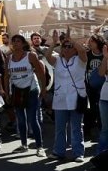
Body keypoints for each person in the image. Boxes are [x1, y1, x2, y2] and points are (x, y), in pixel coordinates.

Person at [44, 28, 87, 163]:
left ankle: (78, 153)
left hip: (76, 98)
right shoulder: (57, 61)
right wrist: (54, 43)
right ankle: (58, 151)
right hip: (61, 98)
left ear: (74, 49)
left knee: (76, 127)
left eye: (70, 47)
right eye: (65, 47)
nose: (67, 49)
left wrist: (72, 40)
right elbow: (47, 56)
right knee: (60, 128)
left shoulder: (80, 60)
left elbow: (82, 51)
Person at [5, 34, 46, 157]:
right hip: (17, 91)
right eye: (14, 41)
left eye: (18, 41)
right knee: (21, 121)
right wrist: (7, 93)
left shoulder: (31, 56)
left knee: (33, 120)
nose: (15, 43)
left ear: (23, 44)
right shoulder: (9, 58)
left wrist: (43, 89)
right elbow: (6, 76)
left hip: (32, 90)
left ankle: (40, 147)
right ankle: (24, 145)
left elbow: (40, 73)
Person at [98, 43, 108, 155]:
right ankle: (100, 156)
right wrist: (105, 57)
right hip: (105, 98)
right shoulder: (106, 57)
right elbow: (101, 73)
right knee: (105, 129)